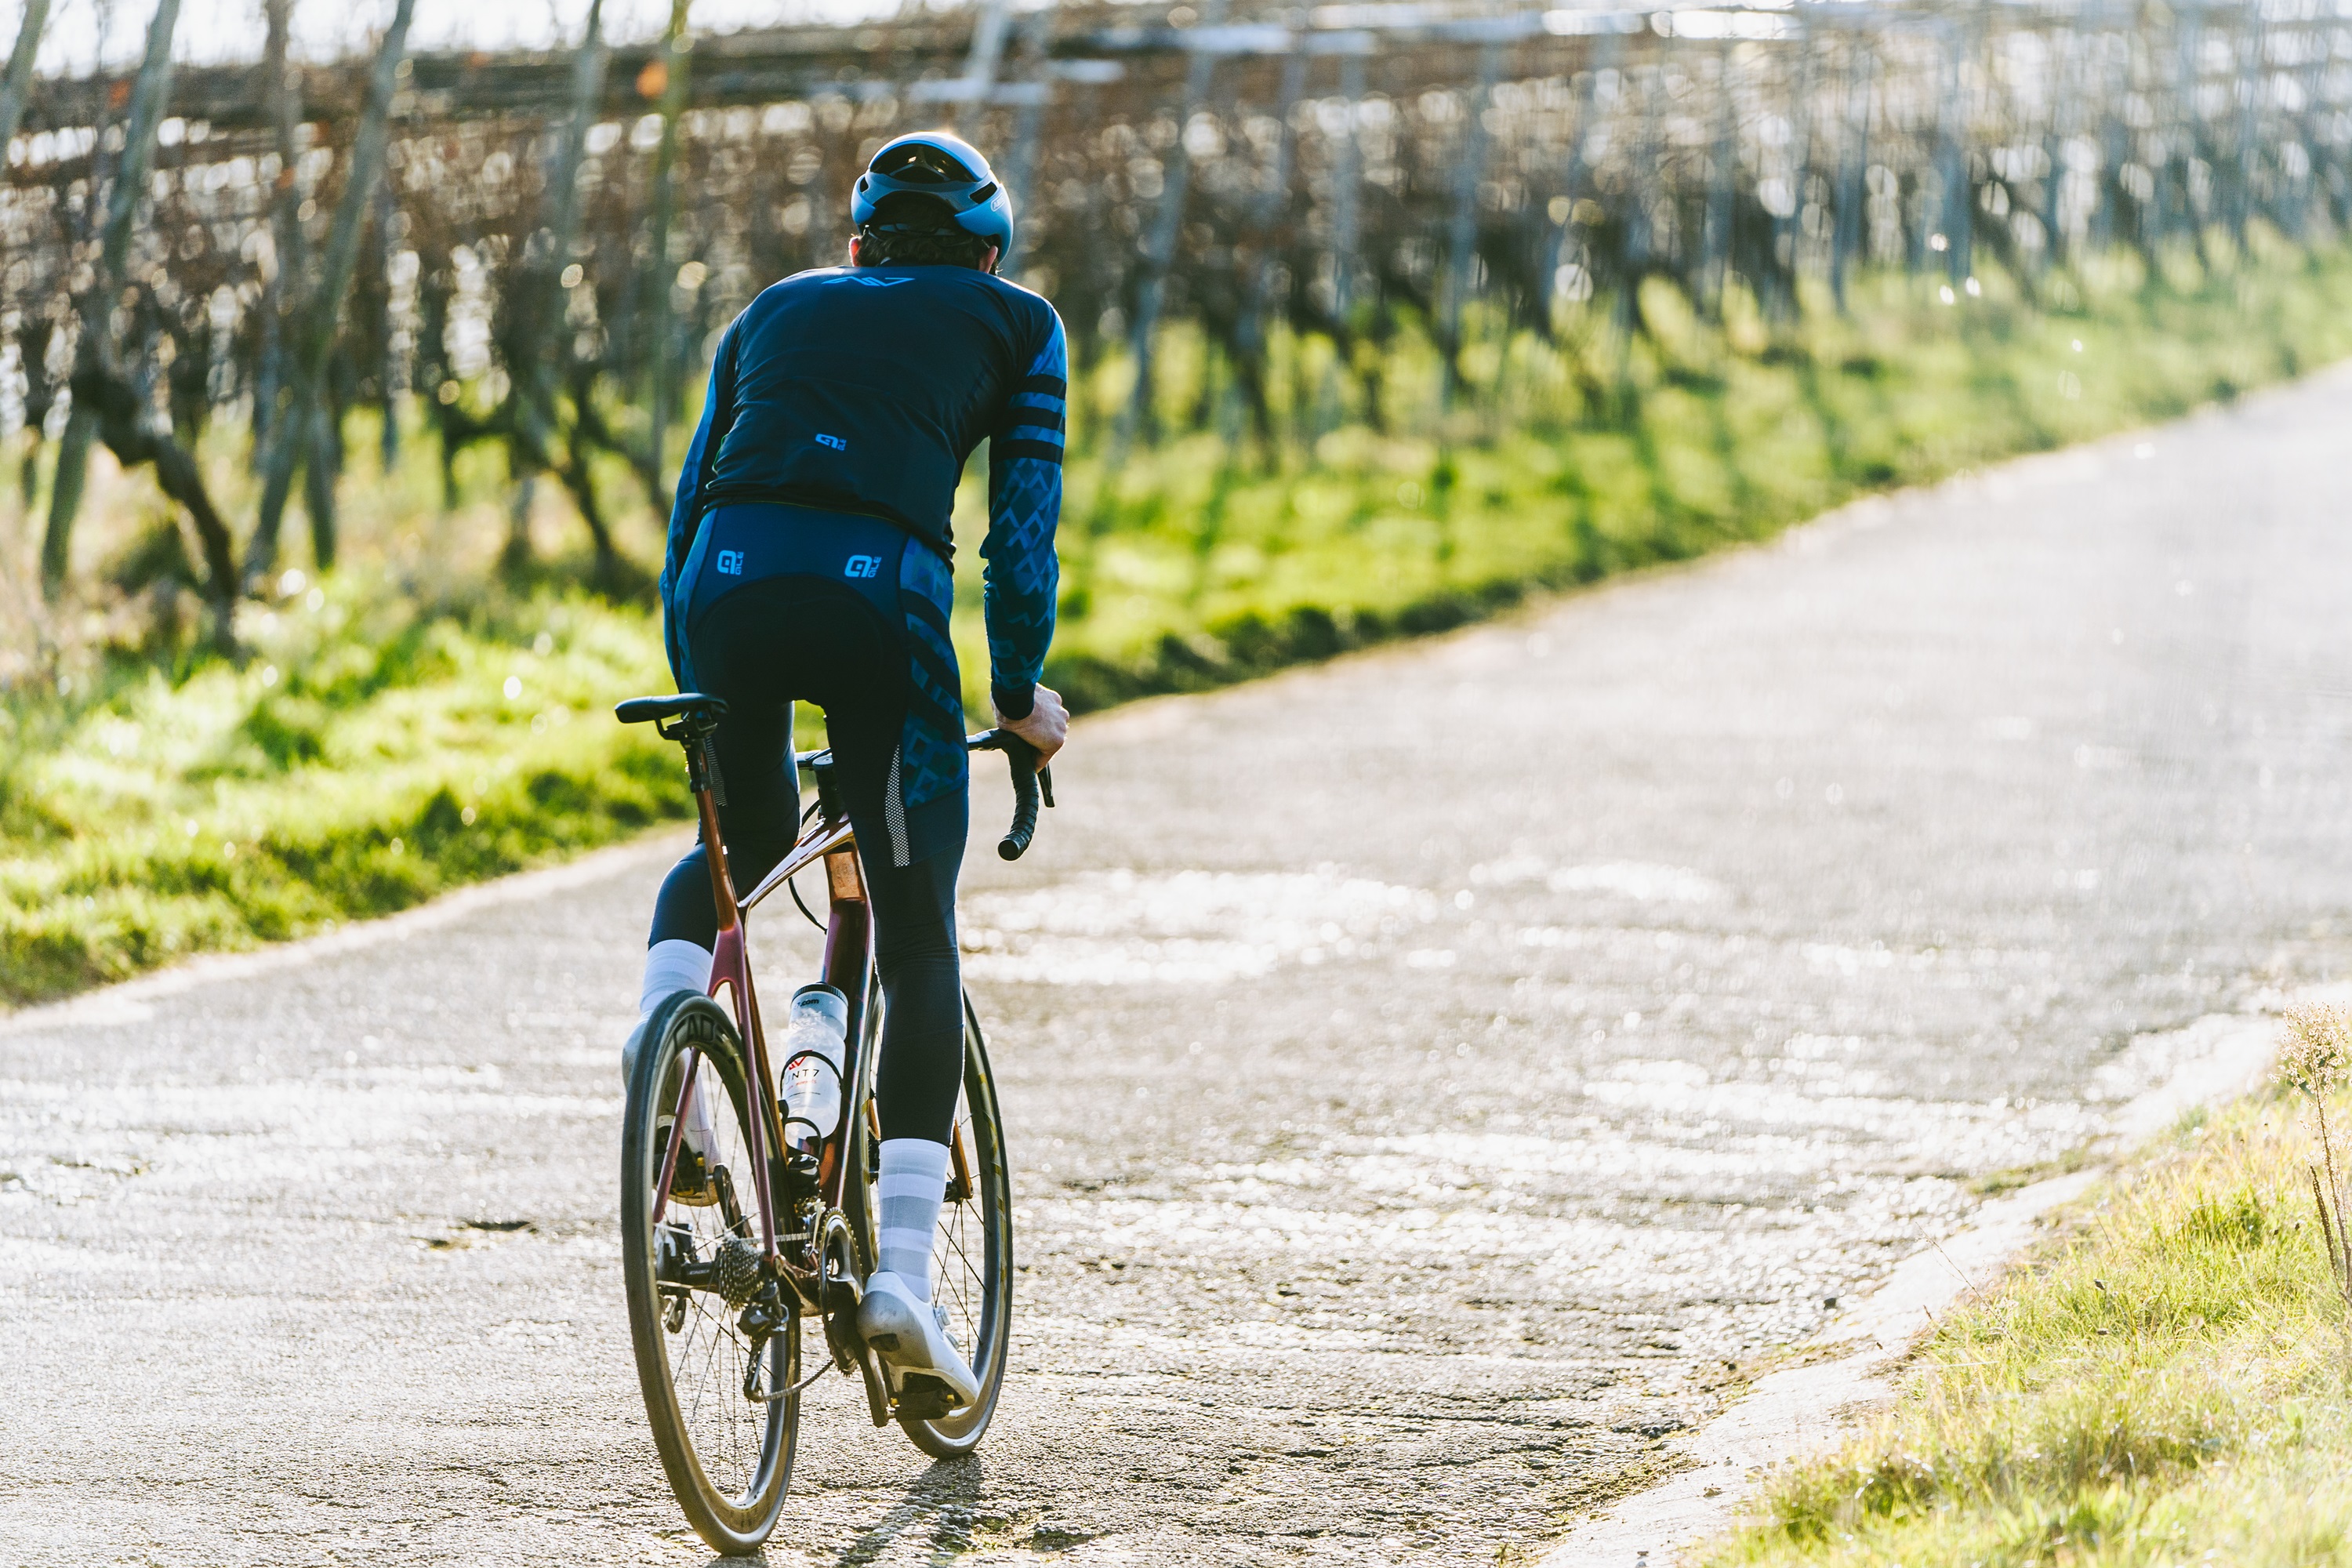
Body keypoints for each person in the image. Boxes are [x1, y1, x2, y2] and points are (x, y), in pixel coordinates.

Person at [630, 130, 1068, 1412]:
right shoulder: (1017, 322)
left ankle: (665, 1073)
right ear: (987, 250)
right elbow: (1018, 540)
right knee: (918, 922)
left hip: (723, 595)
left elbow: (689, 517)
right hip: (881, 608)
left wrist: (709, 691)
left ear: (859, 245)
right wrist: (1017, 693)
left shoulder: (772, 308)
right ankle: (909, 1286)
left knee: (739, 845)